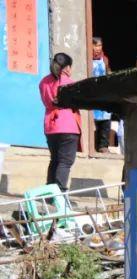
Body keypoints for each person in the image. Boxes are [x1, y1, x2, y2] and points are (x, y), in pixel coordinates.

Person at [39, 52, 81, 194]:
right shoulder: (69, 83)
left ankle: (50, 195)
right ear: (67, 67)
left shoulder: (44, 82)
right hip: (67, 126)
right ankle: (60, 195)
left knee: (55, 160)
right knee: (65, 162)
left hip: (50, 126)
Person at [90, 38, 111, 151]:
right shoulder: (87, 58)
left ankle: (103, 146)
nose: (98, 48)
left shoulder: (105, 59)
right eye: (96, 46)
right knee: (93, 120)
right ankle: (92, 146)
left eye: (100, 45)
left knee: (105, 119)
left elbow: (108, 71)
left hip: (103, 93)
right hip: (92, 94)